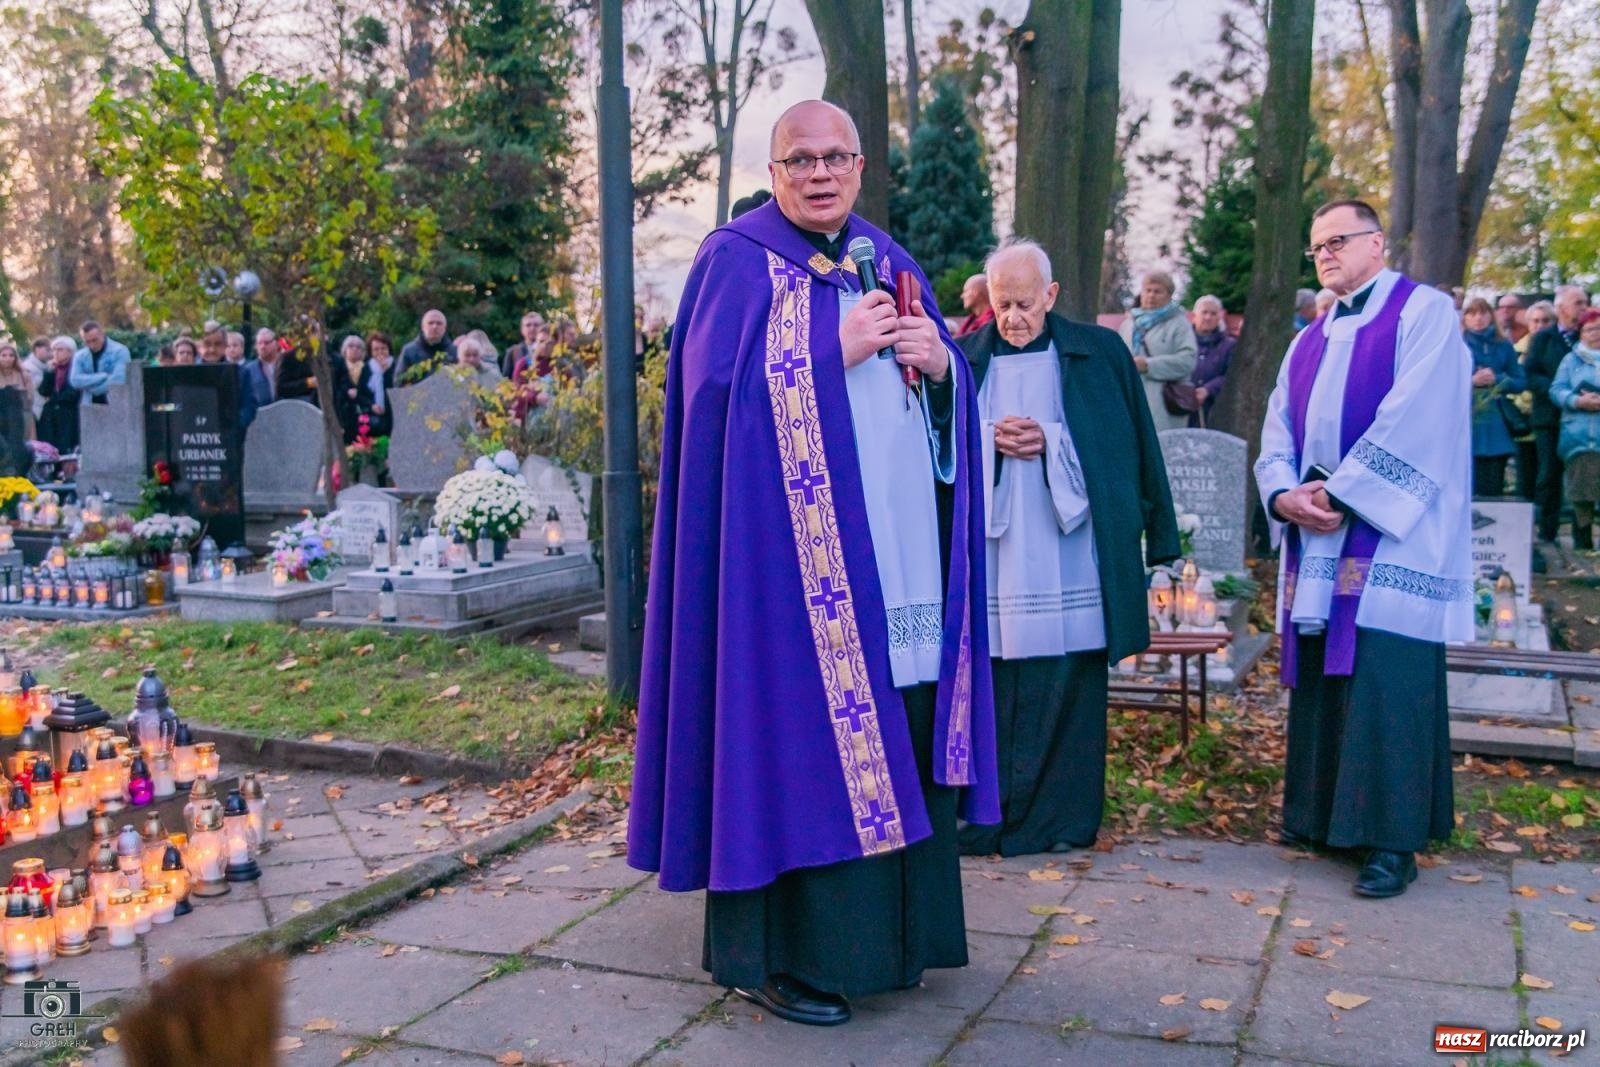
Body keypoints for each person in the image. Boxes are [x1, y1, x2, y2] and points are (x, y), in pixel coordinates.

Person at [628, 99, 998, 1027]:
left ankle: (896, 941)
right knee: (791, 740)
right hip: (786, 574)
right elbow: (710, 410)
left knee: (898, 720)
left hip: (901, 551)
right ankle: (778, 956)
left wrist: (945, 367)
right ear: (774, 170)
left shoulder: (888, 257)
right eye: (801, 160)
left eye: (837, 157)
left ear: (862, 166)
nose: (821, 173)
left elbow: (943, 405)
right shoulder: (734, 261)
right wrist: (830, 350)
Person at [1255, 199, 1470, 899]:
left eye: (1337, 241)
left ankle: (1389, 842)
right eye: (1315, 246)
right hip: (1320, 533)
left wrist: (1340, 495)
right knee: (1327, 675)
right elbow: (1277, 426)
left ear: (1377, 244)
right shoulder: (1308, 336)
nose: (1324, 254)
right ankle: (1321, 817)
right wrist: (1284, 494)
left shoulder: (1424, 312)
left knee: (1385, 682)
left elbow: (1420, 414)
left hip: (1391, 539)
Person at [955, 238, 1178, 858]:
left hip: (1071, 546)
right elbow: (932, 448)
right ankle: (988, 818)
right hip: (995, 556)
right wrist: (986, 439)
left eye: (1025, 303)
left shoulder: (1099, 353)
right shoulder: (966, 357)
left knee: (1068, 681)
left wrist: (1051, 442)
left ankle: (1062, 819)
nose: (1013, 318)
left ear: (1051, 296)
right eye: (1002, 305)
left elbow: (1131, 448)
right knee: (995, 684)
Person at [1526, 286, 1592, 543]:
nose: (1583, 307)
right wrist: (1558, 392)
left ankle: (1582, 535)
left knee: (1581, 474)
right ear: (1561, 307)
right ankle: (1547, 532)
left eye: (1585, 302)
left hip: (1583, 420)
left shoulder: (1588, 336)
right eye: (1578, 302)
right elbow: (1530, 374)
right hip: (1550, 418)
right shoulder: (1543, 338)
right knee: (1549, 475)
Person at [1118, 270, 1197, 433]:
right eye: (1147, 290)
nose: (1151, 295)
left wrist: (1149, 365)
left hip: (1162, 403)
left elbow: (1188, 361)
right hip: (1129, 400)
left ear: (1169, 295)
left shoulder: (1179, 324)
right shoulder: (1129, 324)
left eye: (1157, 291)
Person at [1548, 310, 1600, 551]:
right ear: (1582, 332)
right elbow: (1556, 390)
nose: (1596, 334)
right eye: (1591, 329)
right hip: (1580, 438)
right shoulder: (1571, 360)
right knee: (1582, 492)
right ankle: (1583, 546)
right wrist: (1577, 401)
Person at [1463, 296, 1525, 498]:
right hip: (1465, 420)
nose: (1478, 318)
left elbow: (1520, 381)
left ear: (1491, 315)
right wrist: (1471, 381)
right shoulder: (1455, 343)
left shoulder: (1503, 345)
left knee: (1493, 487)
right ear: (1464, 318)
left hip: (1497, 423)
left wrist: (1496, 379)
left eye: (1483, 312)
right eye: (1472, 313)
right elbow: (1440, 380)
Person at [1513, 301, 1557, 502]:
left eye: (1545, 320)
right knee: (1525, 472)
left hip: (1546, 415)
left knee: (1547, 470)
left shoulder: (1556, 348)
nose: (1540, 325)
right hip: (1521, 419)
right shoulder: (1516, 349)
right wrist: (1522, 405)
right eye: (1535, 320)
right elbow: (1511, 381)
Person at [1188, 294, 1235, 427]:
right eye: (1204, 312)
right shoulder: (1182, 341)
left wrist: (1208, 389)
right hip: (1181, 406)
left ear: (1219, 317)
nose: (1208, 317)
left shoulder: (1229, 345)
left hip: (1214, 409)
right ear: (1194, 315)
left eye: (1213, 313)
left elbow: (1231, 375)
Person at [36, 336, 81, 454]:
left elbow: (73, 393)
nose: (55, 353)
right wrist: (49, 372)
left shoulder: (76, 368)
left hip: (69, 414)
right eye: (54, 350)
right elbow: (43, 391)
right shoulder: (53, 369)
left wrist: (55, 398)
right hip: (51, 416)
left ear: (70, 352)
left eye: (60, 350)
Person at [331, 334, 379, 444]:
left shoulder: (370, 368)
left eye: (358, 347)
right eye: (351, 346)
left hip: (365, 412)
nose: (354, 349)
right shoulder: (337, 368)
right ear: (344, 350)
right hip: (343, 413)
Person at [69, 320, 130, 405]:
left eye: (95, 340)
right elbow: (75, 380)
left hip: (115, 404)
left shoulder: (120, 351)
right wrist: (103, 376)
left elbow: (119, 379)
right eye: (87, 342)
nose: (92, 345)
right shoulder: (79, 356)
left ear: (102, 335)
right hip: (88, 405)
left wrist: (93, 390)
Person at [398, 309, 456, 381]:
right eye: (430, 323)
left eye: (439, 323)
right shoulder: (409, 351)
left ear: (445, 328)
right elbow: (399, 381)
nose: (434, 326)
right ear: (423, 327)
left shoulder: (454, 351)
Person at [0, 343, 36, 440]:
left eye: (11, 355)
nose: (8, 358)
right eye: (3, 355)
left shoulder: (24, 375)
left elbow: (30, 399)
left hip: (21, 417)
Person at [366, 332, 396, 437]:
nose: (380, 352)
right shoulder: (367, 368)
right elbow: (361, 394)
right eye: (376, 349)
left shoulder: (396, 366)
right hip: (374, 416)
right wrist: (371, 406)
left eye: (383, 348)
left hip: (394, 413)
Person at [501, 312, 546, 380]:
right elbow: (506, 381)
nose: (532, 328)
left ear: (543, 328)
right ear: (522, 329)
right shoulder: (513, 352)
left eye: (536, 325)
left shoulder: (551, 350)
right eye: (528, 325)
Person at [23, 340, 48, 420]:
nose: (50, 353)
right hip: (33, 410)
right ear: (37, 349)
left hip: (42, 409)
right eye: (47, 350)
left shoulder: (46, 367)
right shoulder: (28, 368)